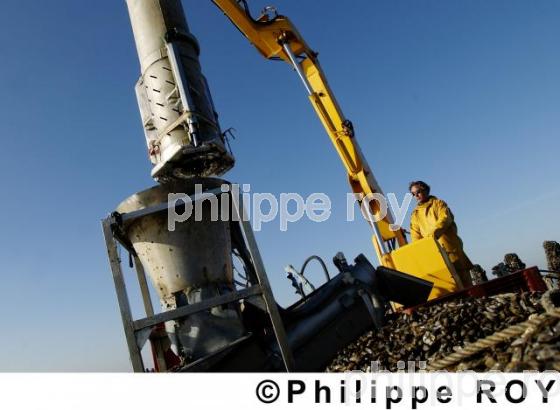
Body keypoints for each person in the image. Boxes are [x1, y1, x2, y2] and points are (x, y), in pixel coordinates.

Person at [409, 181, 473, 287]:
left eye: (418, 192)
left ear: (426, 190)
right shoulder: (415, 215)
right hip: (434, 254)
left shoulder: (439, 204)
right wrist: (422, 249)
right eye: (413, 194)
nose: (416, 195)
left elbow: (445, 219)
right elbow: (415, 236)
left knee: (465, 282)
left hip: (451, 249)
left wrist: (432, 236)